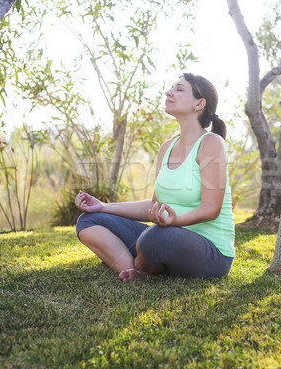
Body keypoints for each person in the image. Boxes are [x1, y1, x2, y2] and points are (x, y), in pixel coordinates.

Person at [74, 73, 235, 282]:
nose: (169, 92)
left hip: (210, 251)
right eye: (171, 88)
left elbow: (211, 209)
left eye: (179, 89)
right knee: (88, 220)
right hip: (166, 235)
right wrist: (104, 207)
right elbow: (154, 205)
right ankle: (133, 270)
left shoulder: (211, 143)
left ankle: (143, 262)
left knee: (155, 237)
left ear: (199, 104)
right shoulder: (167, 147)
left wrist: (175, 221)